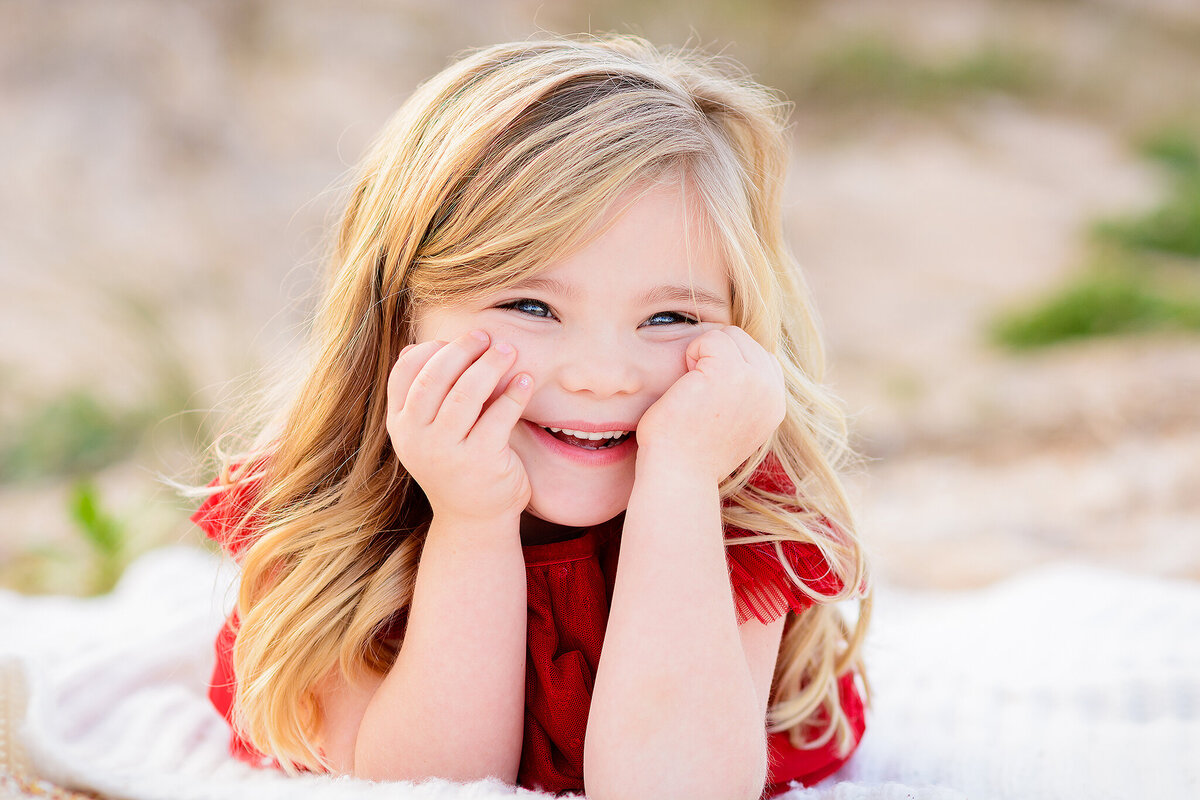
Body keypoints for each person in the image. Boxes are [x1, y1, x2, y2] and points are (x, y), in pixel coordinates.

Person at [192, 35, 870, 800]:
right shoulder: (333, 509)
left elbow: (676, 790)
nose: (600, 377)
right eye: (531, 306)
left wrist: (678, 485)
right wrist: (471, 518)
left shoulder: (735, 495)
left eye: (671, 316)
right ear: (399, 314)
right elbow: (433, 787)